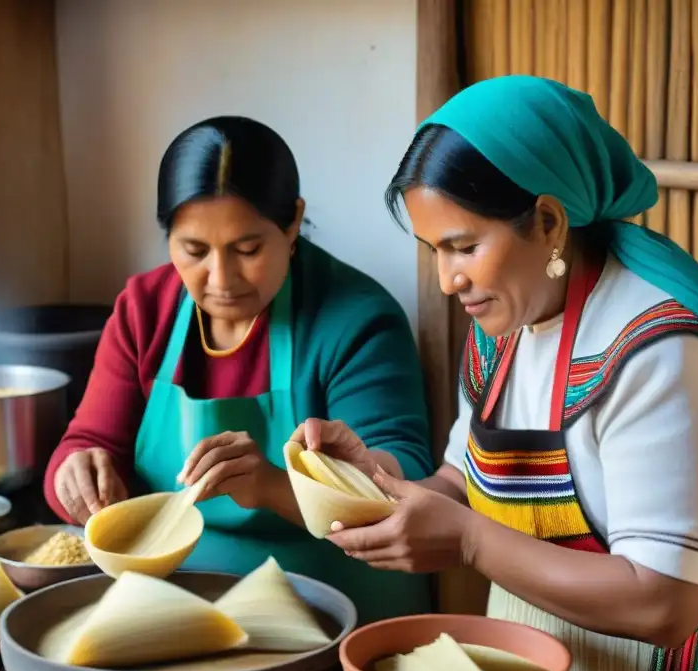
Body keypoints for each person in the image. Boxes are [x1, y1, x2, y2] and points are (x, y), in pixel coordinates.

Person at [296, 76, 698, 671]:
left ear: (548, 222)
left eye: (463, 246)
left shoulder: (660, 355)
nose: (445, 280)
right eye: (435, 250)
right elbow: (464, 481)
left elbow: (663, 604)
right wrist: (369, 485)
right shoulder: (510, 317)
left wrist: (469, 544)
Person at [44, 115, 434, 623]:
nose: (221, 279)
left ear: (293, 221)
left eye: (247, 250)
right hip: (174, 611)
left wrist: (272, 487)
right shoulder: (146, 310)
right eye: (194, 250)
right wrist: (77, 474)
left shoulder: (356, 318)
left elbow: (404, 485)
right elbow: (86, 444)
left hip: (337, 613)